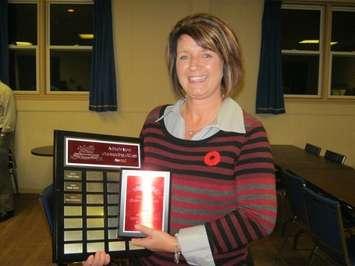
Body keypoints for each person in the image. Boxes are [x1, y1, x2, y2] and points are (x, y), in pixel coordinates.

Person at [84, 13, 276, 266]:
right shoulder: (155, 121)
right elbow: (135, 195)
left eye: (206, 54)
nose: (193, 66)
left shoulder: (247, 132)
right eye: (184, 56)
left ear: (226, 63)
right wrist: (105, 247)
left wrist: (178, 244)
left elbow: (258, 217)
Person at [0, 80, 17, 222]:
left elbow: (9, 120)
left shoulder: (5, 91)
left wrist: (2, 137)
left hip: (2, 134)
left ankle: (7, 208)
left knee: (1, 173)